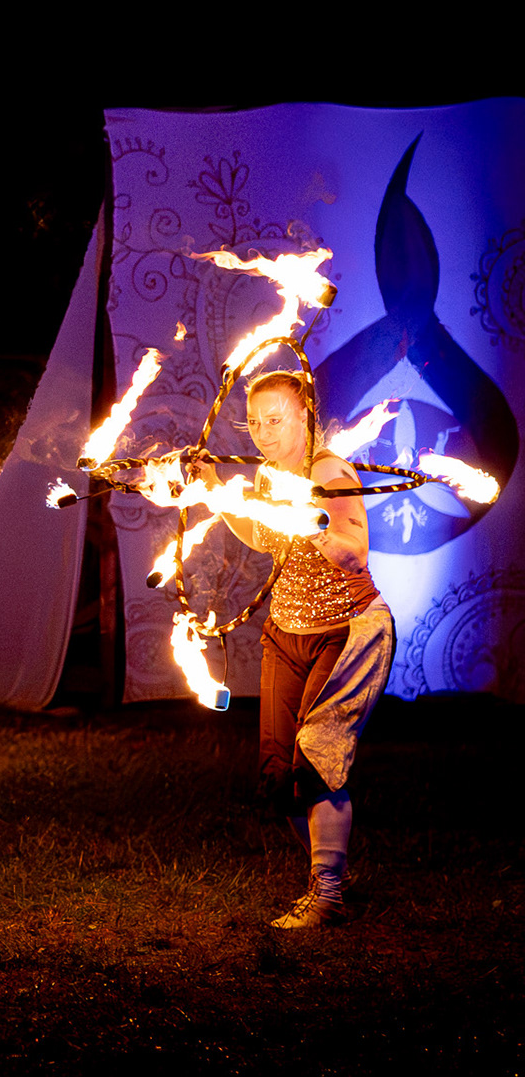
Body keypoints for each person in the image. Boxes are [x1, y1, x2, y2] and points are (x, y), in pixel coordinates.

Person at [209, 369, 393, 929]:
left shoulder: (329, 471)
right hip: (286, 632)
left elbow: (353, 554)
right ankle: (323, 873)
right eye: (256, 422)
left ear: (304, 417)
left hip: (348, 630)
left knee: (316, 752)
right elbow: (266, 537)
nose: (263, 433)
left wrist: (309, 519)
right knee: (276, 773)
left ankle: (328, 892)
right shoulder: (269, 475)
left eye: (275, 420)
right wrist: (216, 498)